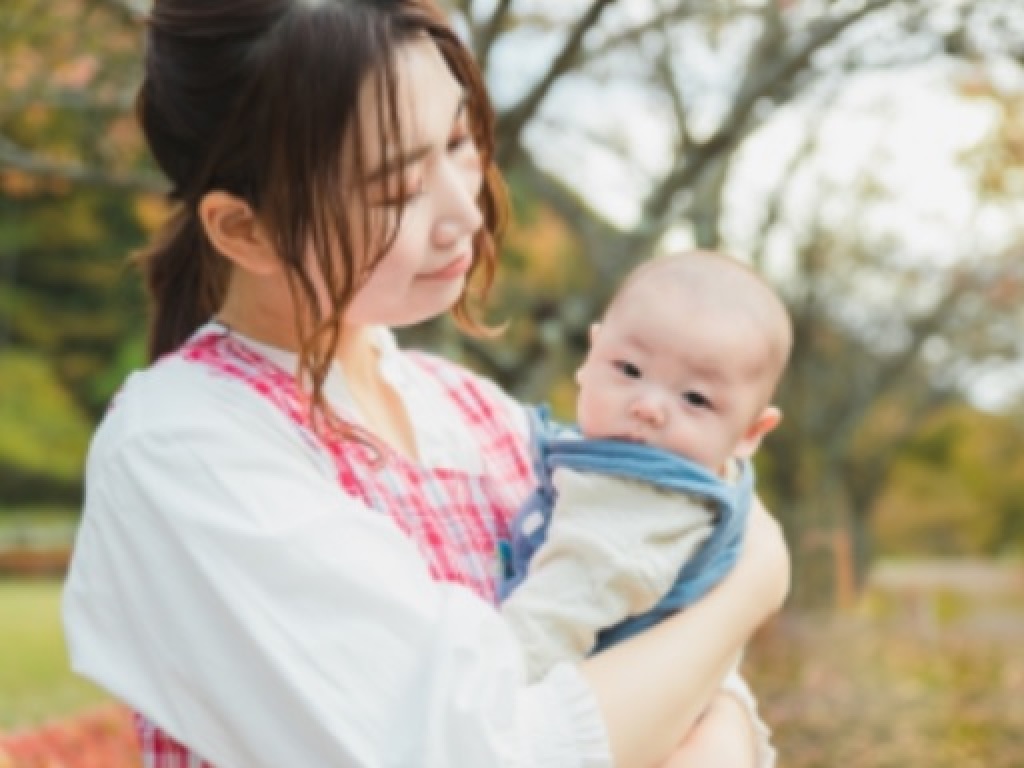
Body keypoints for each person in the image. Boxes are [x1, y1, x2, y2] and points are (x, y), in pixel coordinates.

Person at [61, 2, 790, 767]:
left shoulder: (475, 414)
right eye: (397, 190)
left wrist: (722, 722)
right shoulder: (186, 448)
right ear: (247, 229)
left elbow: (668, 647)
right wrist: (752, 587)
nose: (463, 213)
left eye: (459, 142)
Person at [498, 252, 790, 766]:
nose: (648, 406)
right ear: (591, 355)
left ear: (750, 433)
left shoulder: (641, 500)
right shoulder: (685, 475)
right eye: (629, 370)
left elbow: (552, 621)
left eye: (695, 399)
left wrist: (477, 690)